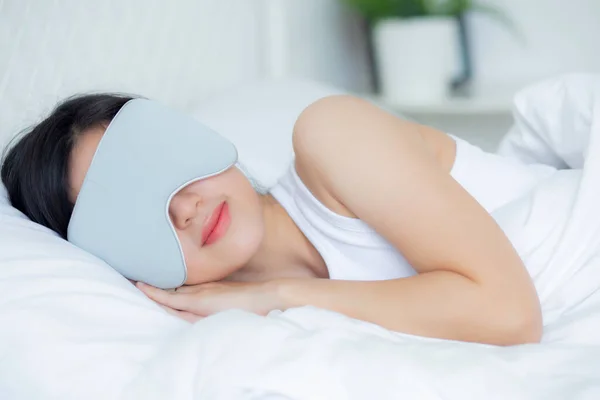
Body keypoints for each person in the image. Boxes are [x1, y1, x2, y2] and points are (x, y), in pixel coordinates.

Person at [1, 93, 554, 346]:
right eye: (128, 211)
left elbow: (509, 315)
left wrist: (282, 294)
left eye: (155, 164)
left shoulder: (332, 137)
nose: (184, 206)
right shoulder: (238, 337)